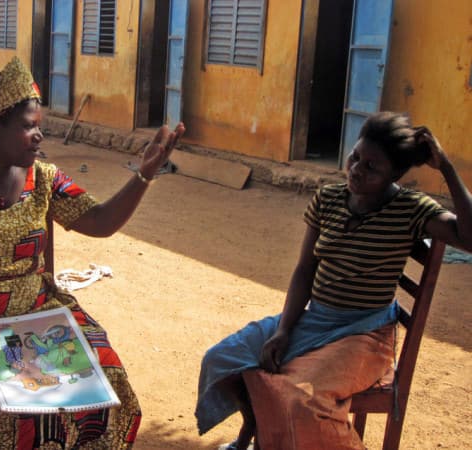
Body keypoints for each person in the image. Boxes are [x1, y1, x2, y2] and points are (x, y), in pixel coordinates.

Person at [0, 56, 185, 449]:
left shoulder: (45, 180)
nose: (39, 137)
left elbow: (99, 222)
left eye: (40, 127)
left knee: (104, 380)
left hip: (39, 313)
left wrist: (143, 175)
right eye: (29, 126)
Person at [195, 112, 472, 450]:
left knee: (300, 397)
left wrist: (446, 168)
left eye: (371, 167)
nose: (356, 169)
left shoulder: (411, 209)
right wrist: (284, 328)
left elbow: (468, 237)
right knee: (222, 357)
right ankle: (258, 425)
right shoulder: (328, 199)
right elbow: (304, 270)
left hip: (364, 336)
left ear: (394, 175)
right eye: (355, 157)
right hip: (314, 320)